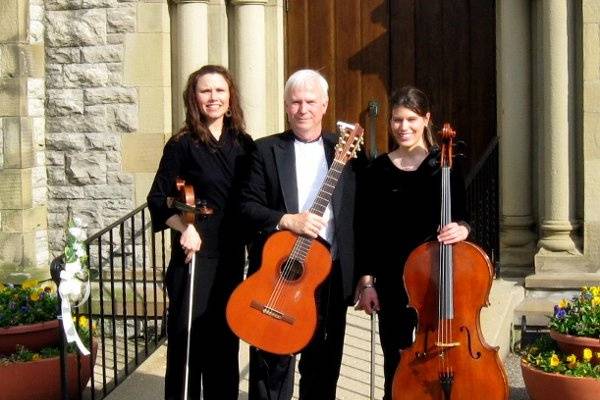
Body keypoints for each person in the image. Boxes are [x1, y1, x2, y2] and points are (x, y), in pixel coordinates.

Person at [240, 69, 363, 400]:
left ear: (325, 105)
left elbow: (363, 215)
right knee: (271, 364)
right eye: (295, 102)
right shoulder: (264, 151)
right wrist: (286, 220)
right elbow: (246, 207)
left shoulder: (347, 152)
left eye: (310, 101)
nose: (303, 109)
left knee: (323, 366)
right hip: (280, 273)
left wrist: (366, 277)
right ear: (285, 106)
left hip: (330, 275)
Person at [354, 86, 470, 400]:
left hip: (437, 280)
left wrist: (463, 229)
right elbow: (365, 231)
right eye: (396, 120)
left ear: (426, 119)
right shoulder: (376, 170)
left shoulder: (444, 166)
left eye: (411, 119)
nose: (403, 127)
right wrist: (366, 283)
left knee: (442, 360)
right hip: (392, 282)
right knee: (396, 362)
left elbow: (462, 217)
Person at [147, 65, 254, 400]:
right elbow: (157, 199)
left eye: (219, 91)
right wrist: (185, 227)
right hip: (193, 253)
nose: (213, 98)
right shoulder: (182, 144)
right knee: (188, 340)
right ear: (194, 97)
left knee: (225, 340)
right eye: (205, 91)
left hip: (231, 254)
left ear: (230, 96)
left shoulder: (245, 144)